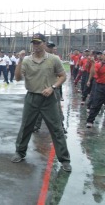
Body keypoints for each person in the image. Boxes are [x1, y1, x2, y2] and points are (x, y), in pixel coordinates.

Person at [12, 33, 71, 172]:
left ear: (44, 44)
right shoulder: (26, 60)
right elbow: (18, 78)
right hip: (32, 97)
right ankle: (20, 152)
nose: (36, 45)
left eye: (38, 42)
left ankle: (64, 159)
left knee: (56, 129)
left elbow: (63, 76)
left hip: (48, 98)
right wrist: (20, 61)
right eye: (34, 43)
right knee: (26, 126)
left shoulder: (53, 59)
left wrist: (53, 87)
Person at [85, 50, 105, 128]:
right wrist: (93, 64)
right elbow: (93, 73)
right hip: (100, 86)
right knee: (96, 104)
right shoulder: (98, 64)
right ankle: (90, 121)